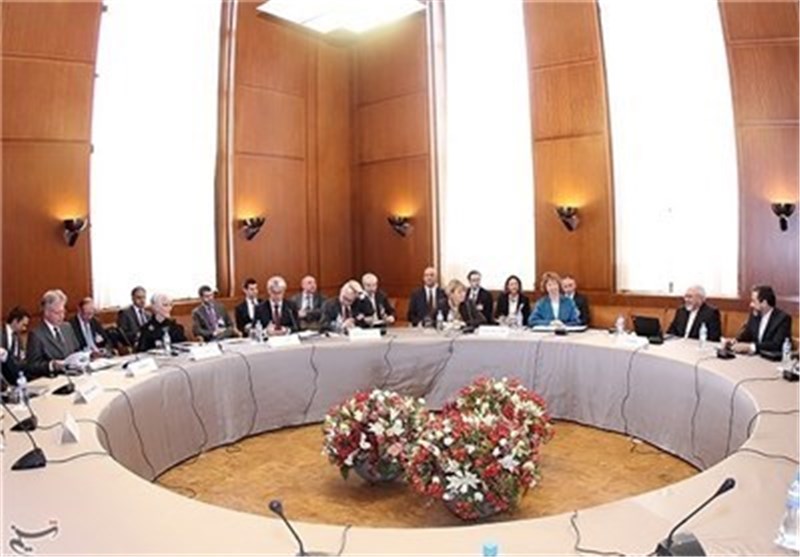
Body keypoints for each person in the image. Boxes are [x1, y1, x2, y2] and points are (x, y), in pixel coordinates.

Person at [26, 289, 81, 378]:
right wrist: (51, 365)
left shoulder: (67, 327)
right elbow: (32, 366)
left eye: (63, 312)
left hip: (74, 375)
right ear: (46, 312)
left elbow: (76, 350)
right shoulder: (36, 334)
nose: (62, 316)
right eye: (57, 313)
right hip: (52, 379)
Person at [728, 285, 792, 355]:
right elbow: (747, 333)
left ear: (764, 303)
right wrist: (736, 340)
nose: (751, 304)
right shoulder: (755, 314)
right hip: (755, 357)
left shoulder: (783, 319)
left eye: (754, 301)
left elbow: (776, 345)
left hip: (771, 359)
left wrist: (750, 347)